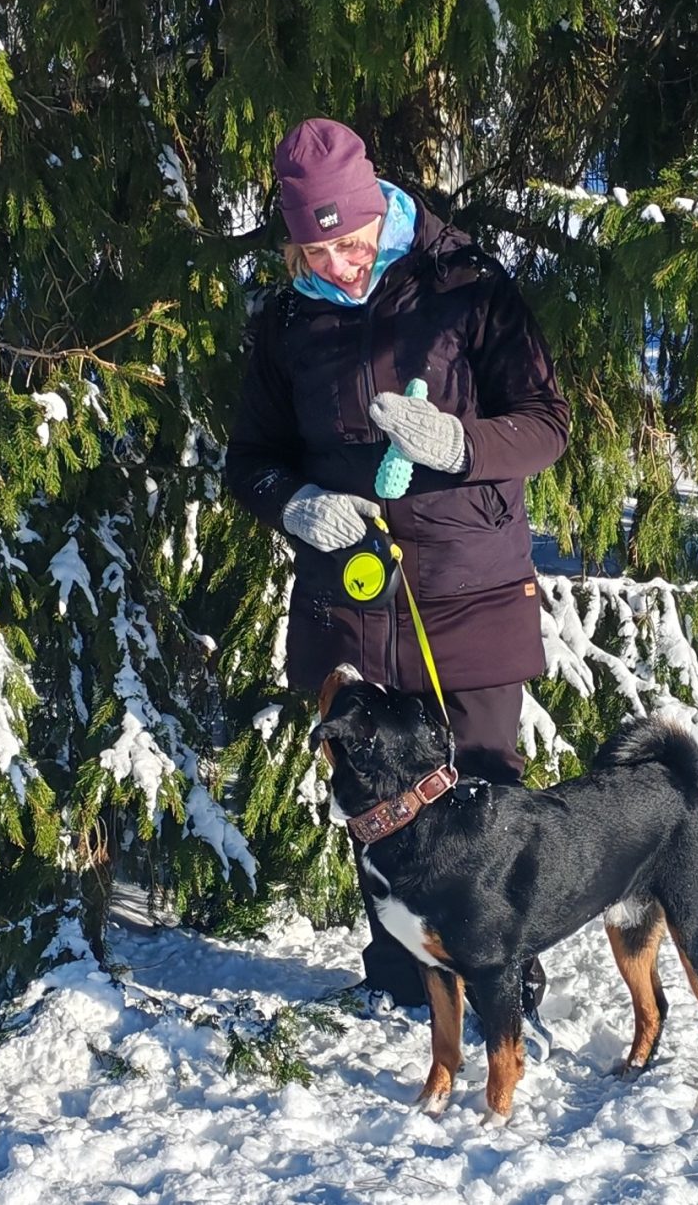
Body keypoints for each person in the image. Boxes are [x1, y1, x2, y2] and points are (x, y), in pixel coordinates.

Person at [227, 117, 571, 1010]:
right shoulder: (289, 322)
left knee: (486, 796)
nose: (335, 264)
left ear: (380, 204)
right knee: (377, 799)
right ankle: (402, 984)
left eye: (347, 240)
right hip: (353, 597)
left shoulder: (466, 286)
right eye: (313, 249)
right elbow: (250, 459)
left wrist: (461, 442)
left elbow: (547, 424)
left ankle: (504, 984)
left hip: (471, 588)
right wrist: (296, 504)